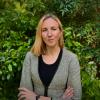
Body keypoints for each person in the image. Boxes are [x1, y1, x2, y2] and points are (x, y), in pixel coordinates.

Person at [18, 13, 82, 100]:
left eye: (53, 29)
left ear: (60, 32)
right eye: (44, 30)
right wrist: (61, 99)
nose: (49, 34)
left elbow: (75, 97)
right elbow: (24, 96)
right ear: (40, 34)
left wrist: (37, 98)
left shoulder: (71, 59)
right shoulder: (30, 57)